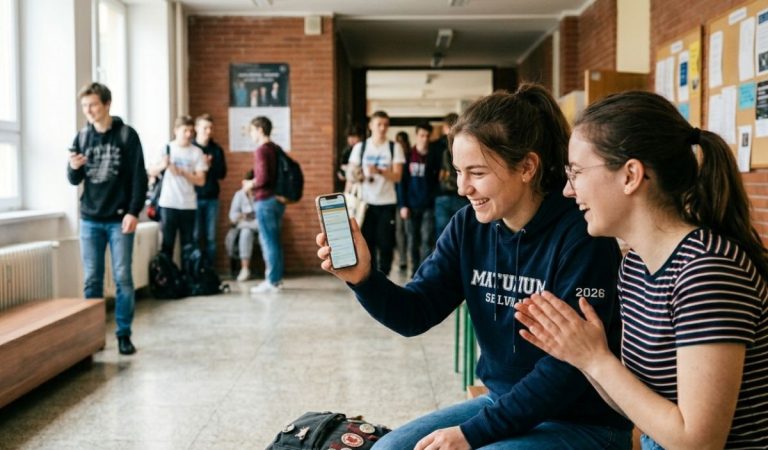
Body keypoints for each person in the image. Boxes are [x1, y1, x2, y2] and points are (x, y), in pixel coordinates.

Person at [316, 85, 632, 449]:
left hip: (581, 421)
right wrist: (364, 278)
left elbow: (566, 372)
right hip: (502, 402)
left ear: (527, 166)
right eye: (458, 172)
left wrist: (471, 434)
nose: (463, 187)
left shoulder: (581, 235)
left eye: (477, 173)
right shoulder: (469, 226)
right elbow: (415, 313)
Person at [514, 91, 768, 450]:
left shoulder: (708, 271)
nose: (569, 191)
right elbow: (638, 406)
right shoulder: (635, 265)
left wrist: (596, 360)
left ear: (631, 175)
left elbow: (698, 442)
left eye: (577, 173)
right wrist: (580, 356)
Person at [67, 82, 148, 355]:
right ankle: (93, 337)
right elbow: (75, 179)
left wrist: (134, 211)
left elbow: (139, 177)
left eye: (93, 105)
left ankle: (123, 334)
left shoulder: (127, 135)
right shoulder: (82, 137)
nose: (88, 111)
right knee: (91, 280)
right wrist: (72, 168)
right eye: (84, 106)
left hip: (119, 218)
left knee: (123, 277)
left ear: (107, 104)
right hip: (90, 218)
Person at [346, 111, 405, 276]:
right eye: (379, 124)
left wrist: (379, 171)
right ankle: (369, 275)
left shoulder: (395, 147)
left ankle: (384, 276)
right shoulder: (361, 147)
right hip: (365, 203)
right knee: (366, 242)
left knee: (386, 243)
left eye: (385, 125)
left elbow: (398, 176)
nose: (382, 128)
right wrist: (356, 178)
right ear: (371, 126)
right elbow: (350, 174)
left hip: (386, 202)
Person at [149, 115, 207, 260]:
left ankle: (188, 280)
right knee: (167, 244)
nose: (188, 134)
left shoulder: (197, 152)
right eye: (185, 130)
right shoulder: (166, 148)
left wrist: (183, 172)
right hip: (168, 203)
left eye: (191, 131)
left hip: (188, 204)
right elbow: (151, 171)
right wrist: (164, 165)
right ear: (176, 130)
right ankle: (168, 279)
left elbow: (201, 180)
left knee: (188, 246)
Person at [248, 116, 286, 294]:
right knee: (275, 241)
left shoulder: (262, 150)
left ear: (260, 129)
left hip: (265, 200)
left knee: (268, 241)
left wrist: (250, 184)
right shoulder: (276, 149)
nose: (251, 134)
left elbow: (263, 178)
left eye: (252, 130)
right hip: (278, 201)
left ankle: (271, 280)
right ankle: (276, 279)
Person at [398, 123, 440, 277]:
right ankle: (414, 272)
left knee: (427, 239)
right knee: (412, 240)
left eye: (427, 136)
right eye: (422, 135)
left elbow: (437, 181)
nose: (425, 139)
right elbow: (402, 182)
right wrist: (403, 205)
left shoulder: (434, 156)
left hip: (428, 205)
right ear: (417, 136)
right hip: (410, 205)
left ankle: (424, 273)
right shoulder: (408, 155)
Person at [193, 113, 227, 264]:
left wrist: (210, 166)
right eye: (205, 128)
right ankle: (195, 271)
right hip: (193, 198)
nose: (208, 131)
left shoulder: (217, 149)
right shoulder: (191, 148)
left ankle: (209, 271)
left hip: (212, 198)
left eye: (211, 128)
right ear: (197, 128)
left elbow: (222, 174)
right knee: (195, 236)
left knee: (211, 237)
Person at [434, 112, 469, 236]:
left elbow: (435, 174)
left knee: (443, 235)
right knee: (463, 233)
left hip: (443, 194)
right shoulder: (467, 144)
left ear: (445, 127)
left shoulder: (436, 146)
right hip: (463, 194)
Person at [228, 170, 259, 282]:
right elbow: (232, 216)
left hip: (259, 227)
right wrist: (243, 215)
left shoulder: (261, 194)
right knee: (246, 232)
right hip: (246, 227)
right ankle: (245, 269)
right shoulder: (239, 195)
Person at [394, 131, 412, 273]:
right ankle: (402, 259)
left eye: (402, 141)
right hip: (395, 200)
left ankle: (409, 258)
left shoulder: (410, 157)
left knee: (408, 231)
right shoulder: (394, 157)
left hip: (408, 200)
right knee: (400, 231)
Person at [336, 124, 363, 193]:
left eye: (354, 136)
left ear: (360, 137)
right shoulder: (346, 151)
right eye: (349, 137)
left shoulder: (364, 150)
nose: (351, 140)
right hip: (349, 185)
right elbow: (341, 172)